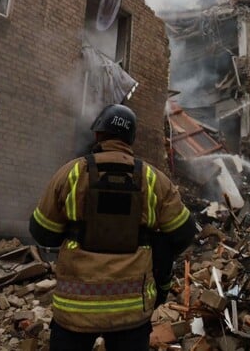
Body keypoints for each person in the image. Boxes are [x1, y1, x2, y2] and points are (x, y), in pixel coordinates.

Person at [29, 104, 195, 351]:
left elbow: (43, 232)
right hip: (131, 312)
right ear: (131, 138)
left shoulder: (71, 173)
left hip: (74, 309)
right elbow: (183, 233)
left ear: (98, 134)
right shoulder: (154, 179)